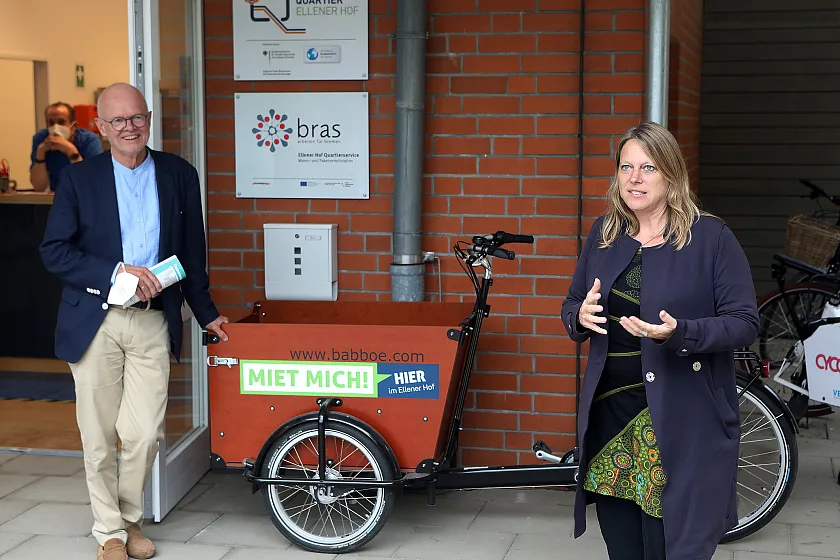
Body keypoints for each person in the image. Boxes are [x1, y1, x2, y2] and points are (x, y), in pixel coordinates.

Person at [40, 83, 229, 560]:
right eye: (117, 120)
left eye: (136, 117)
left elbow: (192, 253)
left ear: (148, 118)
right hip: (96, 320)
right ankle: (111, 531)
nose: (129, 127)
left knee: (145, 433)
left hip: (151, 319)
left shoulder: (179, 174)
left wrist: (206, 314)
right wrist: (115, 272)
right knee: (99, 435)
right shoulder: (80, 180)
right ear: (101, 128)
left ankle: (127, 518)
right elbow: (54, 251)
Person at [561, 121, 759, 560]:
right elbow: (573, 301)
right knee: (623, 547)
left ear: (671, 174)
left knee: (670, 546)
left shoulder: (710, 238)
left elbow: (744, 321)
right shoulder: (605, 233)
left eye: (648, 168)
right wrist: (579, 314)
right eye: (626, 167)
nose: (634, 178)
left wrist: (681, 332)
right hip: (611, 415)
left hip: (677, 417)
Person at [30, 101, 104, 191]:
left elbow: (91, 183)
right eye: (51, 122)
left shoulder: (89, 140)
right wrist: (40, 154)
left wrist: (71, 151)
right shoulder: (41, 138)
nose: (56, 126)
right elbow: (39, 187)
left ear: (73, 126)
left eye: (61, 122)